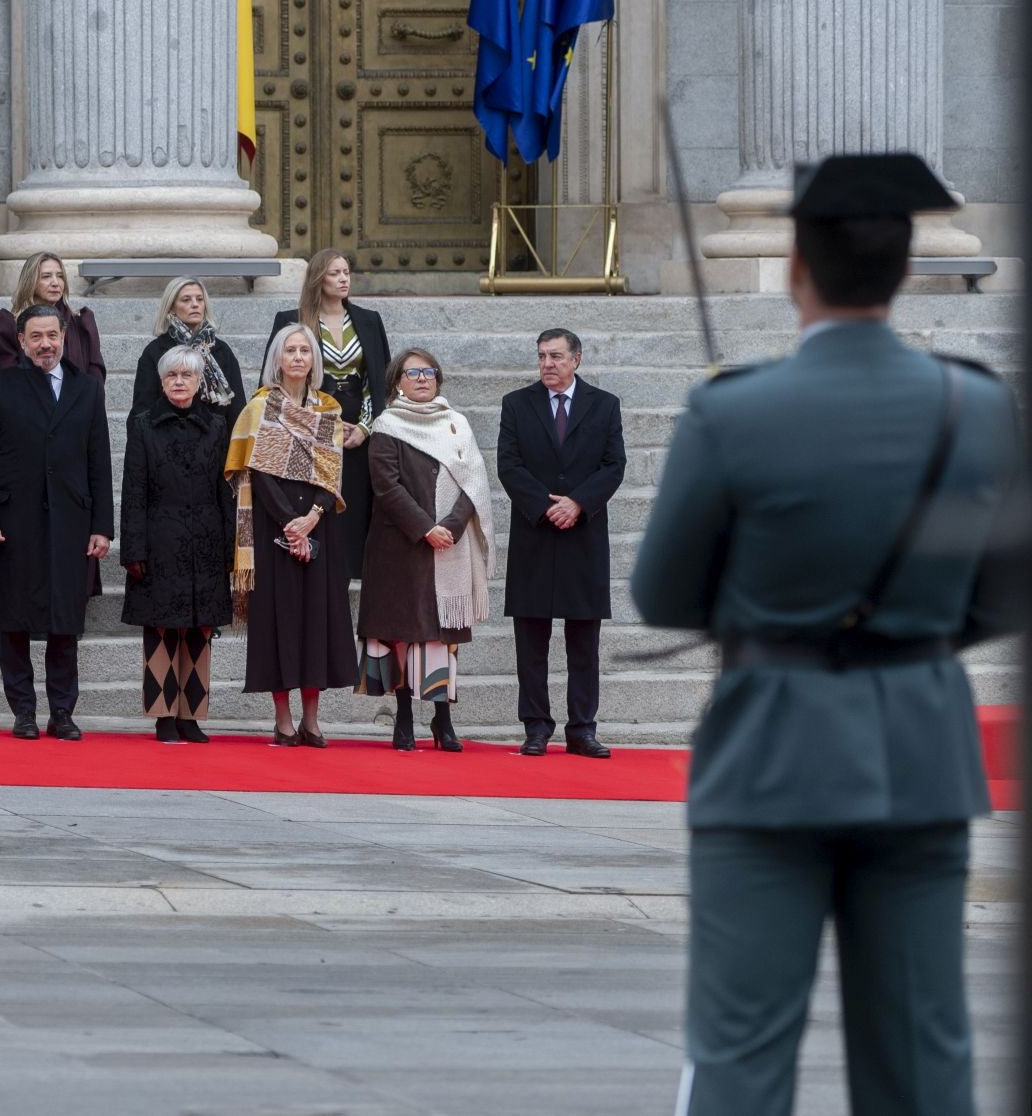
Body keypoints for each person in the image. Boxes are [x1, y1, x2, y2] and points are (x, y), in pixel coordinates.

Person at [631, 154, 1021, 1116]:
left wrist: (775, 612)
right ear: (903, 269)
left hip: (772, 745)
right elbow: (1005, 592)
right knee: (924, 1060)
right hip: (920, 746)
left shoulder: (734, 412)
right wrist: (907, 633)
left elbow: (666, 593)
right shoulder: (976, 410)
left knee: (740, 1056)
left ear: (799, 264)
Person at [0, 305, 114, 741]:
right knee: (14, 620)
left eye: (52, 335)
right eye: (36, 337)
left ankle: (63, 712)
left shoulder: (87, 390)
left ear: (64, 336)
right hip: (16, 521)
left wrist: (102, 526)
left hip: (71, 520)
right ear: (21, 340)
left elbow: (99, 463)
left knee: (64, 622)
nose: (45, 344)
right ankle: (24, 711)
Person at [354, 348, 497, 752]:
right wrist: (425, 528)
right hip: (398, 547)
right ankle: (403, 717)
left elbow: (474, 481)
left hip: (448, 546)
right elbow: (387, 487)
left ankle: (442, 719)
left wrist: (449, 527)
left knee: (441, 635)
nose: (422, 378)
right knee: (401, 633)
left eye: (429, 372)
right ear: (396, 381)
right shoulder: (387, 426)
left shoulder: (457, 425)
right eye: (412, 372)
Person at [495, 327, 624, 758]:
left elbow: (613, 465)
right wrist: (546, 506)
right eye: (541, 356)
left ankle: (582, 729)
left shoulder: (604, 406)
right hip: (534, 534)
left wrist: (578, 503)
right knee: (531, 640)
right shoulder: (516, 404)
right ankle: (535, 726)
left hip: (583, 536)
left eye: (555, 356)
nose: (547, 364)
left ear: (576, 359)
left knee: (583, 642)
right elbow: (508, 465)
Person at [226, 324, 358, 746]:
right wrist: (290, 523)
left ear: (314, 361)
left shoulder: (329, 409)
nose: (298, 357)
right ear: (277, 360)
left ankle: (312, 720)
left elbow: (331, 471)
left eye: (305, 350)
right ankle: (283, 719)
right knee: (277, 621)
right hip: (272, 528)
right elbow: (258, 471)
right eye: (290, 351)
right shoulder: (260, 408)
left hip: (321, 527)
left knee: (316, 621)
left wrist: (312, 518)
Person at [119, 347, 235, 743]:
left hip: (205, 537)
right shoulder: (144, 424)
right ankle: (163, 715)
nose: (180, 382)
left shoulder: (218, 426)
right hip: (160, 538)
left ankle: (191, 716)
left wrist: (230, 549)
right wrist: (133, 550)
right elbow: (132, 490)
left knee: (200, 631)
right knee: (163, 630)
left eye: (187, 375)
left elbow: (226, 490)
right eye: (173, 376)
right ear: (162, 381)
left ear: (200, 382)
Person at [271, 249, 391, 581]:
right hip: (311, 422)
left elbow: (378, 381)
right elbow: (278, 380)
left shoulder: (369, 320)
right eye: (334, 273)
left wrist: (365, 428)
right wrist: (328, 424)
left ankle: (356, 566)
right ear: (318, 279)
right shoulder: (291, 320)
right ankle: (321, 563)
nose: (343, 279)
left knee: (355, 495)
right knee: (319, 492)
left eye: (346, 273)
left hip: (359, 424)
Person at [133, 277, 245, 437]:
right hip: (167, 446)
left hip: (215, 448)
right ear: (171, 307)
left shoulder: (221, 350)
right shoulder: (155, 351)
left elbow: (237, 409)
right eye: (186, 300)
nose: (195, 304)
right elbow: (142, 410)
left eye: (200, 299)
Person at [0, 252, 105, 381]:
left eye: (60, 276)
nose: (56, 283)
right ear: (31, 282)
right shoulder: (10, 324)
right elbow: (5, 378)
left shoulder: (82, 322)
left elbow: (96, 376)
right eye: (46, 276)